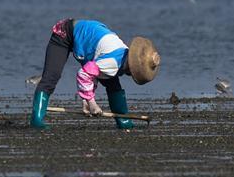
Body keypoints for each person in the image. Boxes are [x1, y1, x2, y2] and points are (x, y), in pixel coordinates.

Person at [30, 18, 160, 130]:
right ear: (132, 69)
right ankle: (36, 120)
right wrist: (92, 103)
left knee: (113, 83)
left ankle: (124, 121)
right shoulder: (113, 62)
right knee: (51, 78)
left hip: (88, 42)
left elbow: (96, 71)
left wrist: (86, 100)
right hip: (65, 33)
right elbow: (84, 74)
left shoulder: (120, 55)